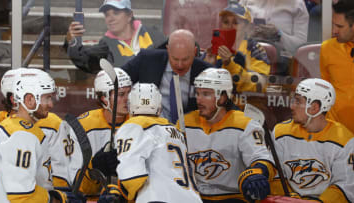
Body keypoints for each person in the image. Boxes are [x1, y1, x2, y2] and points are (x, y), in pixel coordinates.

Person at [182, 68, 275, 202]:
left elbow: (261, 158)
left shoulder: (245, 124)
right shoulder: (185, 122)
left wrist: (257, 173)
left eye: (206, 94)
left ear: (223, 97)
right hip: (194, 197)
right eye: (197, 93)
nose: (199, 99)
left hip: (232, 198)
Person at [0, 69, 82, 202]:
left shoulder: (18, 128)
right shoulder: (21, 135)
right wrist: (56, 199)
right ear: (30, 99)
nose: (51, 104)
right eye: (46, 98)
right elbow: (19, 195)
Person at [114, 82, 202, 203]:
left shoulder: (134, 125)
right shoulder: (175, 131)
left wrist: (124, 194)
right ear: (159, 106)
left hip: (159, 198)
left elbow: (133, 177)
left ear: (130, 105)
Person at [272, 78, 354, 202]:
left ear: (314, 108)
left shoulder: (345, 140)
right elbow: (276, 175)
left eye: (298, 101)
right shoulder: (281, 132)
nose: (292, 106)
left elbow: (345, 186)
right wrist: (291, 199)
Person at [64, 67, 132, 195]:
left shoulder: (138, 122)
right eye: (121, 94)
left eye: (129, 93)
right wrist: (94, 167)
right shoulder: (83, 126)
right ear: (104, 99)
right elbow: (77, 184)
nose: (128, 99)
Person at [122, 29, 213, 123]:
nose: (180, 65)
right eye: (175, 59)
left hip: (188, 131)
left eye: (185, 59)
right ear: (168, 49)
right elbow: (118, 79)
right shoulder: (146, 60)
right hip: (150, 127)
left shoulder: (206, 72)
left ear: (194, 52)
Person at [65, 0, 165, 73]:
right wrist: (71, 40)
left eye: (116, 13)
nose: (110, 19)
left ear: (130, 15)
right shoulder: (106, 45)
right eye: (107, 14)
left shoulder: (152, 35)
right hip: (122, 98)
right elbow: (82, 58)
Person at [203, 2, 270, 93]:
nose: (230, 27)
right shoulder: (213, 49)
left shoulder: (256, 50)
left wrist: (230, 64)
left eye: (236, 23)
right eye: (226, 22)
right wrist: (208, 67)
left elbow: (260, 85)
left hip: (245, 104)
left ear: (247, 27)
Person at [239, 0, 309, 75]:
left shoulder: (297, 4)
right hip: (245, 59)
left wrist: (278, 35)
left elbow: (300, 46)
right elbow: (232, 27)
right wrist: (246, 31)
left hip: (281, 65)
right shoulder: (245, 1)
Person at [320, 0, 354, 135]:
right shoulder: (327, 48)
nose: (334, 31)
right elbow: (326, 91)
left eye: (340, 26)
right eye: (334, 25)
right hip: (336, 135)